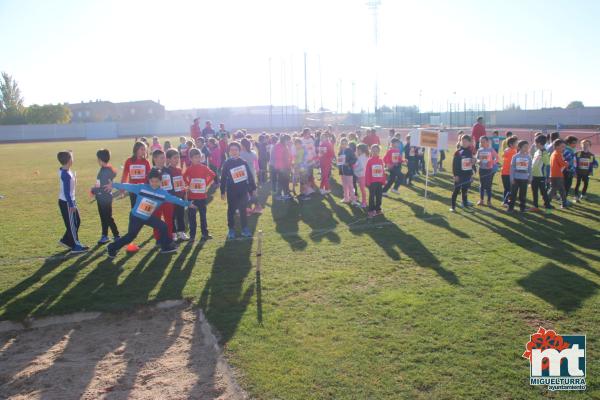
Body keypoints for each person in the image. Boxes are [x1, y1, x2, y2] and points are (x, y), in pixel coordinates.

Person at [106, 169, 195, 257]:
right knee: (130, 237)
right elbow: (127, 186)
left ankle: (166, 247)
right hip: (136, 217)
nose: (154, 183)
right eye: (152, 181)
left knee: (163, 226)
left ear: (161, 181)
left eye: (157, 181)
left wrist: (187, 204)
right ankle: (112, 247)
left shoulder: (163, 193)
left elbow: (175, 199)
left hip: (148, 217)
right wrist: (113, 185)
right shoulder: (141, 188)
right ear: (149, 181)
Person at [220, 142, 257, 239]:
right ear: (229, 151)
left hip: (243, 191)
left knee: (243, 210)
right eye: (232, 150)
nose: (234, 152)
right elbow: (223, 178)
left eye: (236, 150)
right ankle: (231, 229)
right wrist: (222, 191)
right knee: (231, 210)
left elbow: (249, 176)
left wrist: (253, 188)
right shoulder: (227, 163)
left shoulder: (243, 162)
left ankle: (245, 228)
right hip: (232, 191)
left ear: (239, 151)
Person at [56, 151, 89, 253]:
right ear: (69, 160)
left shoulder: (65, 170)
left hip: (70, 200)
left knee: (77, 221)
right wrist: (71, 205)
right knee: (72, 225)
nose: (73, 159)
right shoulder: (66, 174)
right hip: (67, 202)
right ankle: (76, 245)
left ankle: (66, 240)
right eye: (72, 157)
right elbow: (66, 192)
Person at [183, 148, 216, 241]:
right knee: (192, 217)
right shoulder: (189, 169)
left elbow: (213, 174)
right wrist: (188, 184)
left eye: (199, 157)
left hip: (202, 197)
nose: (197, 159)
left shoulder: (204, 167)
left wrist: (206, 183)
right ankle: (192, 236)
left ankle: (204, 233)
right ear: (190, 158)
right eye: (195, 157)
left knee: (203, 216)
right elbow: (184, 177)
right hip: (192, 197)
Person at [91, 149, 120, 244]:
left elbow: (102, 186)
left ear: (100, 159)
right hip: (101, 197)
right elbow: (100, 184)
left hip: (105, 198)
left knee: (108, 217)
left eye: (97, 158)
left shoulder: (105, 171)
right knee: (103, 217)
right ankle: (105, 235)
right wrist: (95, 189)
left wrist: (94, 190)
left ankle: (116, 235)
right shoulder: (105, 169)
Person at [151, 149, 176, 244]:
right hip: (156, 201)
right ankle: (158, 238)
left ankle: (169, 237)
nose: (163, 160)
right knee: (156, 220)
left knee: (169, 219)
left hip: (168, 200)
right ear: (155, 159)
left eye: (164, 158)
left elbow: (172, 185)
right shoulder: (151, 172)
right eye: (161, 158)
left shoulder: (168, 170)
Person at [165, 149, 189, 240]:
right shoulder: (166, 171)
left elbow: (181, 182)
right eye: (174, 158)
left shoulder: (179, 170)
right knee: (172, 216)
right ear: (168, 159)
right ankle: (173, 233)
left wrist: (184, 191)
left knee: (181, 215)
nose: (177, 159)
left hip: (180, 197)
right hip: (171, 198)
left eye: (178, 157)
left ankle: (181, 232)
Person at [122, 141, 151, 208]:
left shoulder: (146, 162)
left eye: (145, 150)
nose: (144, 151)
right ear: (136, 149)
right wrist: (122, 188)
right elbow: (125, 175)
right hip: (133, 189)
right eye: (142, 149)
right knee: (134, 208)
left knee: (143, 209)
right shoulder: (129, 161)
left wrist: (149, 188)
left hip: (143, 189)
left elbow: (149, 176)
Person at [450, 135, 475, 212]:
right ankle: (453, 207)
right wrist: (455, 175)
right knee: (456, 191)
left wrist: (472, 172)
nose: (463, 143)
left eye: (465, 141)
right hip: (459, 176)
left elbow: (471, 164)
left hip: (467, 175)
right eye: (462, 141)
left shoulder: (470, 152)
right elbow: (454, 165)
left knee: (465, 191)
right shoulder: (458, 152)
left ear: (469, 142)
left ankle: (465, 204)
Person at [508, 140, 532, 212]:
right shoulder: (515, 156)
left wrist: (530, 178)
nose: (527, 148)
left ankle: (522, 208)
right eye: (525, 147)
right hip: (515, 178)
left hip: (524, 179)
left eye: (527, 147)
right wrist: (511, 178)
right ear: (520, 147)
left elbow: (530, 168)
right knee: (513, 194)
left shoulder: (528, 157)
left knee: (523, 195)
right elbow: (512, 168)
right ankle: (510, 208)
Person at [240, 138, 263, 213]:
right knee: (252, 191)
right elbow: (256, 165)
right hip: (252, 173)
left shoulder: (241, 154)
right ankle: (256, 208)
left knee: (247, 192)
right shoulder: (253, 153)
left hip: (244, 174)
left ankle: (249, 209)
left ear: (243, 145)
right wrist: (257, 171)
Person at [530, 135, 551, 213]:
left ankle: (548, 208)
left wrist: (548, 177)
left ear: (538, 143)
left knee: (543, 193)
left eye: (535, 143)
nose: (534, 144)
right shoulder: (537, 151)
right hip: (534, 176)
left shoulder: (544, 152)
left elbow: (547, 165)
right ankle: (535, 206)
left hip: (541, 176)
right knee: (534, 191)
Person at [475, 137, 498, 206]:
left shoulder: (491, 150)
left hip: (489, 170)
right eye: (480, 142)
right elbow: (476, 158)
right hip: (481, 169)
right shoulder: (479, 150)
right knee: (482, 185)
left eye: (483, 142)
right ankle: (481, 200)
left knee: (488, 186)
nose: (482, 143)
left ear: (488, 142)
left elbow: (497, 158)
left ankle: (489, 201)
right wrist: (479, 161)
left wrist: (492, 162)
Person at [365, 144, 386, 217]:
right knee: (372, 196)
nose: (375, 152)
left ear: (379, 151)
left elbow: (382, 171)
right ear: (371, 151)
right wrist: (367, 182)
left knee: (379, 196)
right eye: (373, 150)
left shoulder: (380, 160)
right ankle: (371, 210)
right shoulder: (369, 161)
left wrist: (383, 180)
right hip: (372, 182)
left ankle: (378, 209)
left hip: (379, 182)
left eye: (376, 150)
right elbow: (367, 172)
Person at [548, 139, 569, 209]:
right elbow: (562, 163)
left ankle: (547, 201)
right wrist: (566, 163)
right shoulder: (558, 154)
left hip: (553, 174)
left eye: (564, 147)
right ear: (557, 147)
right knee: (561, 190)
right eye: (562, 147)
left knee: (553, 189)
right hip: (558, 175)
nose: (564, 148)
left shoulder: (553, 153)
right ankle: (564, 203)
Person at [272, 134, 293, 200]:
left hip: (285, 167)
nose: (289, 141)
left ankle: (286, 193)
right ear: (284, 140)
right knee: (282, 181)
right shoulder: (279, 146)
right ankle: (280, 195)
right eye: (288, 140)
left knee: (285, 181)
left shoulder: (284, 145)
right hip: (282, 167)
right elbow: (278, 157)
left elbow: (288, 155)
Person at [339, 138, 358, 205]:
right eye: (342, 143)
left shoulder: (349, 150)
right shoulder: (340, 151)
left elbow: (354, 159)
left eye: (345, 143)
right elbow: (340, 161)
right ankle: (346, 198)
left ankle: (353, 199)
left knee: (350, 186)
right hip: (342, 171)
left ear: (347, 144)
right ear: (340, 144)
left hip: (348, 171)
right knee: (344, 185)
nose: (343, 145)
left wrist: (348, 163)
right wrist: (338, 164)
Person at [501, 136, 518, 205]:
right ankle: (506, 201)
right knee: (510, 189)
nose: (517, 145)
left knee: (506, 188)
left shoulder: (507, 150)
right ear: (511, 144)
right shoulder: (513, 152)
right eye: (516, 143)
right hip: (509, 173)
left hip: (504, 172)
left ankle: (505, 201)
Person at [353, 143, 369, 208]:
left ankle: (364, 203)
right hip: (362, 175)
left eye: (357, 150)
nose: (356, 151)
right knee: (362, 190)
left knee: (362, 190)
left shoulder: (362, 157)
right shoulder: (363, 156)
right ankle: (364, 202)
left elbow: (362, 167)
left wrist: (355, 171)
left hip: (361, 175)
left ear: (361, 150)